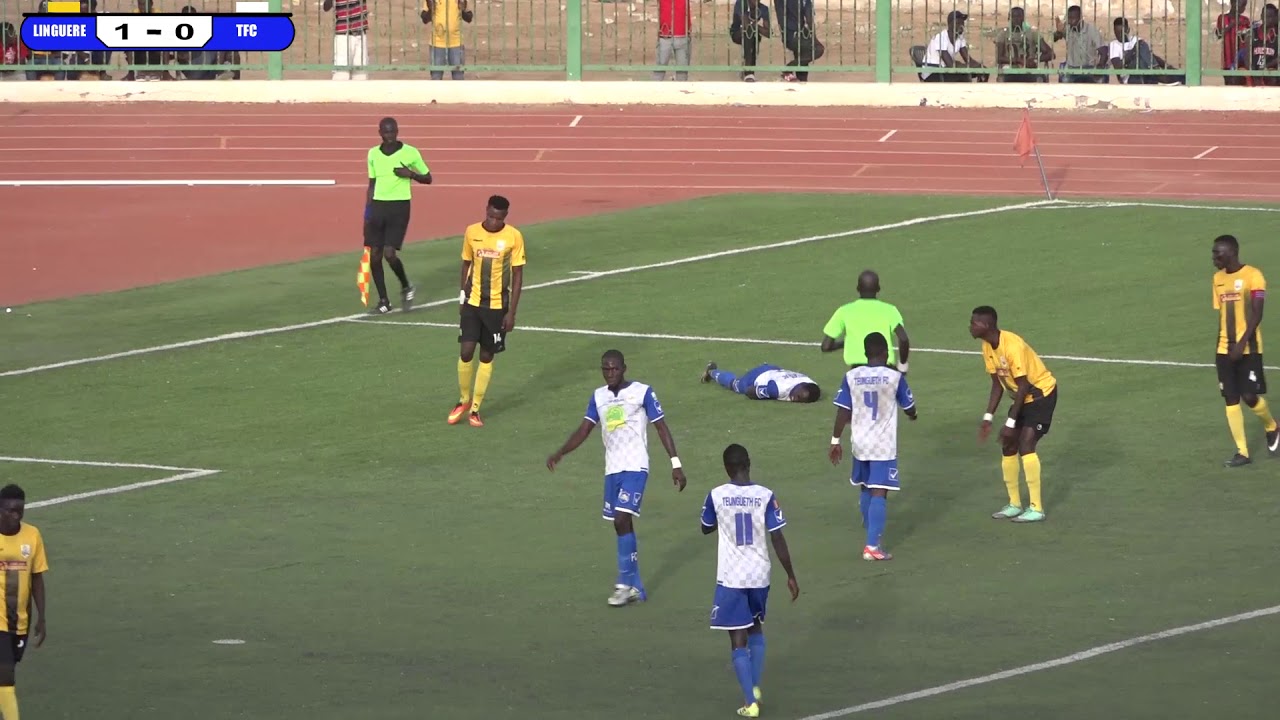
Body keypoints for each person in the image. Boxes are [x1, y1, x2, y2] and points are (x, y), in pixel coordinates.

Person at [547, 350, 687, 607]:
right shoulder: (598, 397)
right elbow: (585, 429)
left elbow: (661, 426)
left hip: (635, 466)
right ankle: (637, 587)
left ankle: (624, 584)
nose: (610, 373)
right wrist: (561, 452)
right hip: (612, 469)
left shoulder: (642, 392)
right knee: (620, 524)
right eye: (605, 369)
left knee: (623, 518)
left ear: (624, 368)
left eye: (614, 369)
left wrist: (675, 463)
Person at [700, 443, 798, 718]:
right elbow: (777, 536)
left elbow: (706, 527)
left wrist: (723, 516)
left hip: (732, 577)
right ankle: (754, 687)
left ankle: (749, 702)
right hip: (760, 574)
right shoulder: (765, 495)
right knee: (756, 628)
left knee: (737, 640)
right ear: (748, 464)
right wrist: (790, 575)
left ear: (727, 468)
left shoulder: (716, 495)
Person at [828, 332, 917, 561]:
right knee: (880, 490)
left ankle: (870, 527)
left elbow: (843, 411)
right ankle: (872, 547)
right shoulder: (894, 377)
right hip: (882, 445)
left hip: (859, 442)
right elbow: (909, 406)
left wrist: (835, 440)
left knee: (865, 486)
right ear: (886, 352)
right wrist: (912, 414)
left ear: (865, 353)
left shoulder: (851, 376)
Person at [970, 306, 1057, 523]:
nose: (970, 326)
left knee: (1026, 443)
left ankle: (1036, 508)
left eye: (974, 323)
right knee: (1009, 445)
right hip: (1022, 396)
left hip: (1041, 395)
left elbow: (1025, 384)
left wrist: (1010, 422)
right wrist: (987, 418)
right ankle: (1014, 504)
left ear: (987, 325)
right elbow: (997, 385)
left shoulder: (1013, 346)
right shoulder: (987, 346)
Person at [449, 195, 526, 428]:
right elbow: (466, 264)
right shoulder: (471, 232)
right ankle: (463, 400)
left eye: (498, 218)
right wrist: (462, 295)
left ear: (505, 217)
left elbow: (518, 275)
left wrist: (511, 312)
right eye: (490, 216)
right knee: (466, 350)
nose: (493, 222)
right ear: (486, 210)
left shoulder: (513, 236)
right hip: (473, 302)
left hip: (496, 307)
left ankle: (475, 409)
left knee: (486, 355)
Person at [1211, 235, 1279, 466]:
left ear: (1231, 252)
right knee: (1230, 398)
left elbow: (1257, 314)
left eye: (1217, 253)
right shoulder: (1217, 279)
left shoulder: (1253, 276)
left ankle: (1272, 426)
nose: (1214, 258)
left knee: (1249, 396)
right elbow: (1222, 314)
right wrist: (1225, 346)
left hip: (1248, 348)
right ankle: (1243, 452)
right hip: (1223, 349)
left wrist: (1241, 343)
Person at [364, 117, 430, 315]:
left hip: (399, 207)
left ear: (398, 131)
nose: (390, 136)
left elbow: (428, 178)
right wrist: (367, 213)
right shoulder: (373, 154)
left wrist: (410, 174)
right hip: (377, 207)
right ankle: (384, 301)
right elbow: (371, 184)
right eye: (386, 132)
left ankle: (406, 286)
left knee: (389, 254)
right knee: (374, 256)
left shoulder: (410, 152)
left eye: (393, 132)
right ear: (380, 133)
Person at [0, 484, 48, 720]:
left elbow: (37, 577)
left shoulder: (32, 535)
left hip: (19, 620)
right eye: (10, 510)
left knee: (3, 677)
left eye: (20, 510)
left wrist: (42, 617)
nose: (16, 515)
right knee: (6, 677)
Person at [820, 270, 911, 370]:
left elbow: (826, 346)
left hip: (856, 373)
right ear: (878, 289)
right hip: (885, 370)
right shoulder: (890, 310)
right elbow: (903, 338)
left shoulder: (844, 311)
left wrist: (843, 343)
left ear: (858, 288)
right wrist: (903, 364)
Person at [700, 361, 820, 402]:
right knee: (737, 385)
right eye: (798, 396)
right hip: (758, 375)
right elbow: (749, 392)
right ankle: (712, 372)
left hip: (774, 370)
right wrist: (767, 395)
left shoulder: (810, 383)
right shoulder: (777, 390)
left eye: (801, 401)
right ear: (800, 388)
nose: (795, 399)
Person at [994, 6, 1055, 82]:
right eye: (1013, 16)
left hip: (1029, 68)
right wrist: (1018, 60)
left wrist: (1035, 60)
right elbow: (999, 58)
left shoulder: (1032, 33)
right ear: (1009, 18)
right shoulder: (1003, 34)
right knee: (1004, 78)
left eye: (1019, 16)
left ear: (1023, 18)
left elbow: (1050, 53)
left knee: (1040, 78)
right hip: (1010, 68)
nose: (1016, 19)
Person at [729, 0, 770, 82]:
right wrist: (755, 26)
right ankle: (748, 71)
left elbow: (768, 33)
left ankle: (749, 71)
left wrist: (756, 26)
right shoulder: (741, 3)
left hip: (752, 34)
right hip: (737, 32)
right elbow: (746, 25)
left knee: (753, 37)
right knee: (750, 32)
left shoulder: (763, 8)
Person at [1214, 0, 1252, 86]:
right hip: (1227, 58)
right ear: (1232, 3)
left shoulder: (1245, 20)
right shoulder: (1222, 18)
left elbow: (1248, 37)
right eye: (1240, 5)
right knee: (1229, 82)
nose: (1242, 8)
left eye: (1244, 6)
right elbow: (1219, 35)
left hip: (1241, 59)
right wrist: (1232, 24)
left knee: (1241, 82)